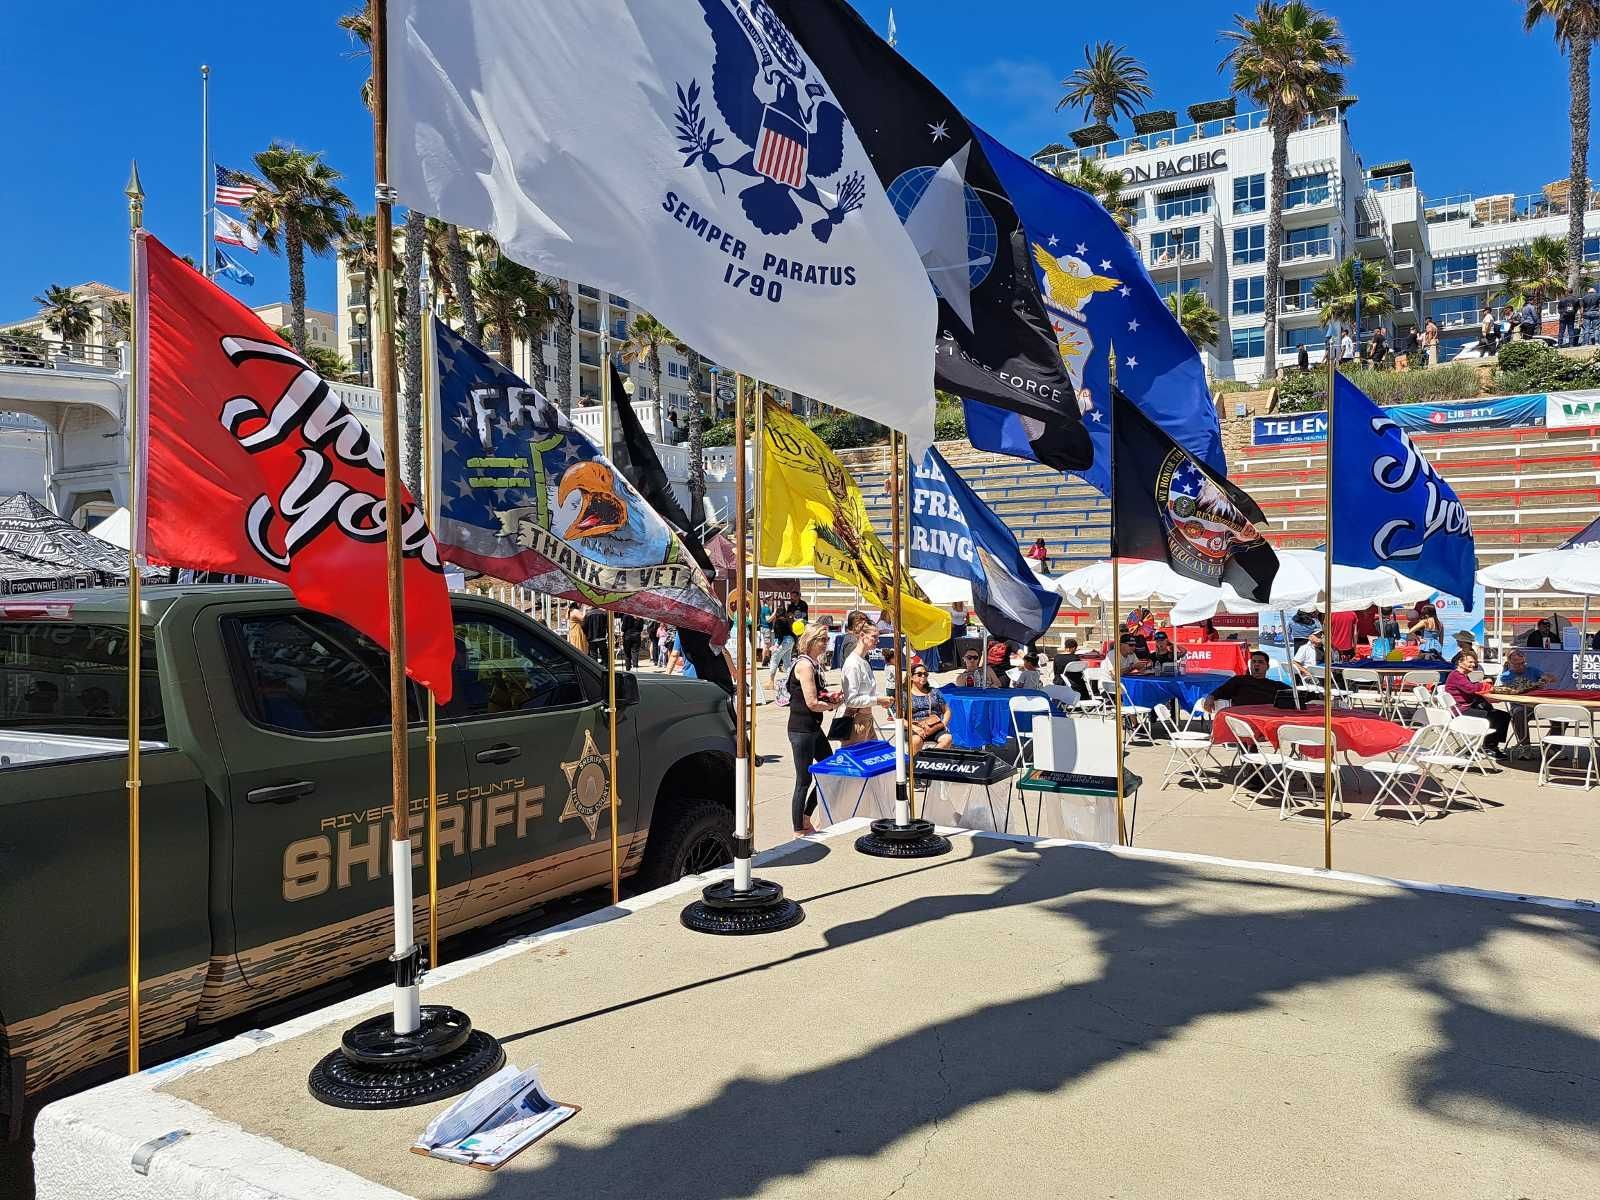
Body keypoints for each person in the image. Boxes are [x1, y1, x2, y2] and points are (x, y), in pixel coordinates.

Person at [787, 620, 841, 836]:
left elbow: (817, 696)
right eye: (823, 639)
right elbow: (811, 702)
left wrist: (830, 697)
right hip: (801, 729)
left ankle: (806, 816)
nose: (827, 643)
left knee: (830, 771)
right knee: (804, 780)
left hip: (813, 727)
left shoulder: (814, 664)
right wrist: (831, 705)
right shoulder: (805, 666)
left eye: (828, 639)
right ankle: (798, 829)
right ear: (811, 641)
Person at [1444, 650, 1510, 758]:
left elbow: (1470, 688)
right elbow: (1470, 689)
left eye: (1474, 662)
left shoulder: (1462, 675)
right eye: (1470, 662)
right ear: (1460, 662)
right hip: (1460, 712)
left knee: (1502, 715)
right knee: (1496, 717)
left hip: (1464, 709)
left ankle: (1490, 745)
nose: (1473, 665)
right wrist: (1483, 683)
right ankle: (1489, 747)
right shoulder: (1456, 675)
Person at [839, 622, 894, 744]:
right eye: (874, 636)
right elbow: (851, 700)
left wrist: (881, 699)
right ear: (862, 635)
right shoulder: (853, 664)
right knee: (857, 759)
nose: (877, 641)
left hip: (867, 719)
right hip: (856, 721)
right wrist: (878, 700)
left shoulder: (863, 661)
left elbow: (869, 690)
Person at [1202, 651, 1286, 713]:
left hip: (1267, 717)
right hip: (1242, 719)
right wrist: (1211, 697)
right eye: (1254, 662)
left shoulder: (1276, 685)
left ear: (1267, 667)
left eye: (1260, 662)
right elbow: (1221, 691)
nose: (1256, 664)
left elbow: (1295, 696)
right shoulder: (1238, 680)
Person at [907, 665, 953, 757]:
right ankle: (915, 766)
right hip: (914, 726)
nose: (923, 676)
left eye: (925, 674)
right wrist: (915, 728)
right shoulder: (905, 694)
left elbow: (947, 711)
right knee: (916, 740)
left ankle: (929, 760)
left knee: (947, 738)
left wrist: (943, 724)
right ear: (911, 677)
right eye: (919, 674)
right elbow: (899, 718)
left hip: (933, 726)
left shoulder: (934, 692)